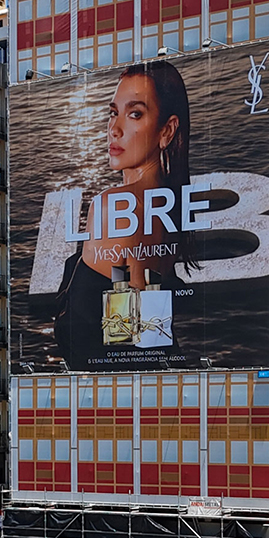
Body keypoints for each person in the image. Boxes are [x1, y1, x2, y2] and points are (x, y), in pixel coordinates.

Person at [51, 61, 196, 364]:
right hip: (143, 381)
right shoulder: (168, 206)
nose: (114, 130)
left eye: (135, 114)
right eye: (113, 112)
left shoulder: (114, 206)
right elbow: (148, 335)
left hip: (108, 387)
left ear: (167, 130)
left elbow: (121, 340)